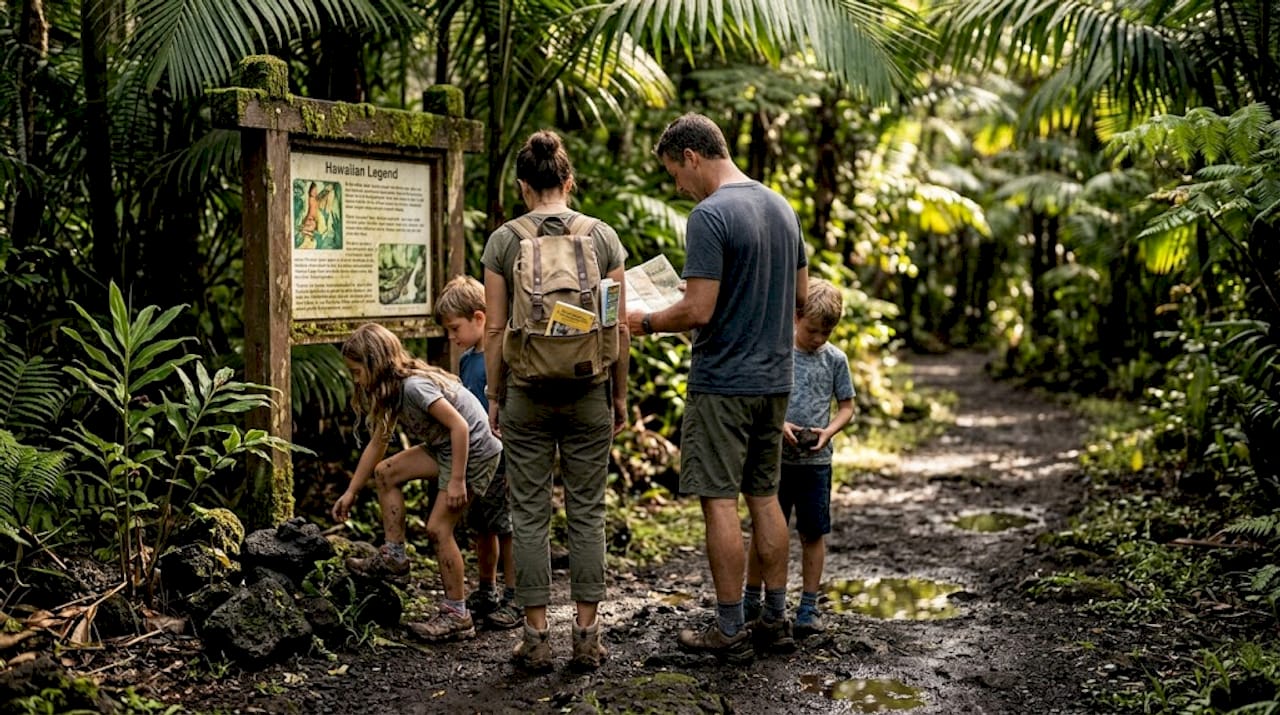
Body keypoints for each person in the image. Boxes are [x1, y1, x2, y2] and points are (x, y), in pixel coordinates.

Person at [626, 113, 807, 664]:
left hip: (723, 383)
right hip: (775, 381)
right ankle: (774, 620)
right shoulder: (780, 206)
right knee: (765, 497)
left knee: (719, 504)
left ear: (691, 156)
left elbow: (699, 309)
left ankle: (729, 627)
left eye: (674, 175)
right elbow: (799, 296)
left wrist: (645, 321)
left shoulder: (709, 215)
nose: (677, 188)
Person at [482, 130, 629, 672]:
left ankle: (537, 638)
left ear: (524, 187)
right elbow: (618, 327)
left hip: (526, 392)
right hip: (590, 387)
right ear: (569, 183)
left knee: (529, 513)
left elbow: (494, 329)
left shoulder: (504, 241)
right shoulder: (603, 238)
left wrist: (494, 396)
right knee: (588, 512)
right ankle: (587, 638)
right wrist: (619, 395)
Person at [332, 322, 503, 643]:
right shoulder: (390, 392)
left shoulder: (413, 388)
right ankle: (394, 556)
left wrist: (456, 481)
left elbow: (461, 428)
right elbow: (378, 443)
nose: (355, 379)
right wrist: (351, 491)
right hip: (445, 446)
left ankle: (457, 614)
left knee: (438, 528)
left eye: (357, 371)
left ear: (375, 364)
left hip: (474, 450)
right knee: (386, 472)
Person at [744, 278, 855, 638]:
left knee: (812, 533)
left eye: (826, 333)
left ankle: (808, 604)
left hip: (816, 465)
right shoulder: (778, 353)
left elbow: (847, 406)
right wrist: (780, 425)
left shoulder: (835, 360)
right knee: (765, 530)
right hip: (774, 460)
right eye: (812, 331)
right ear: (795, 318)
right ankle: (751, 598)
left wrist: (828, 432)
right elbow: (759, 397)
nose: (818, 339)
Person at [435, 275, 521, 630]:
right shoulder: (468, 360)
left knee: (507, 525)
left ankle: (517, 596)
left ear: (479, 317)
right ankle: (487, 588)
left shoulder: (504, 355)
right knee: (482, 523)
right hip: (476, 456)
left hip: (504, 451)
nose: (452, 337)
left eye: (456, 328)